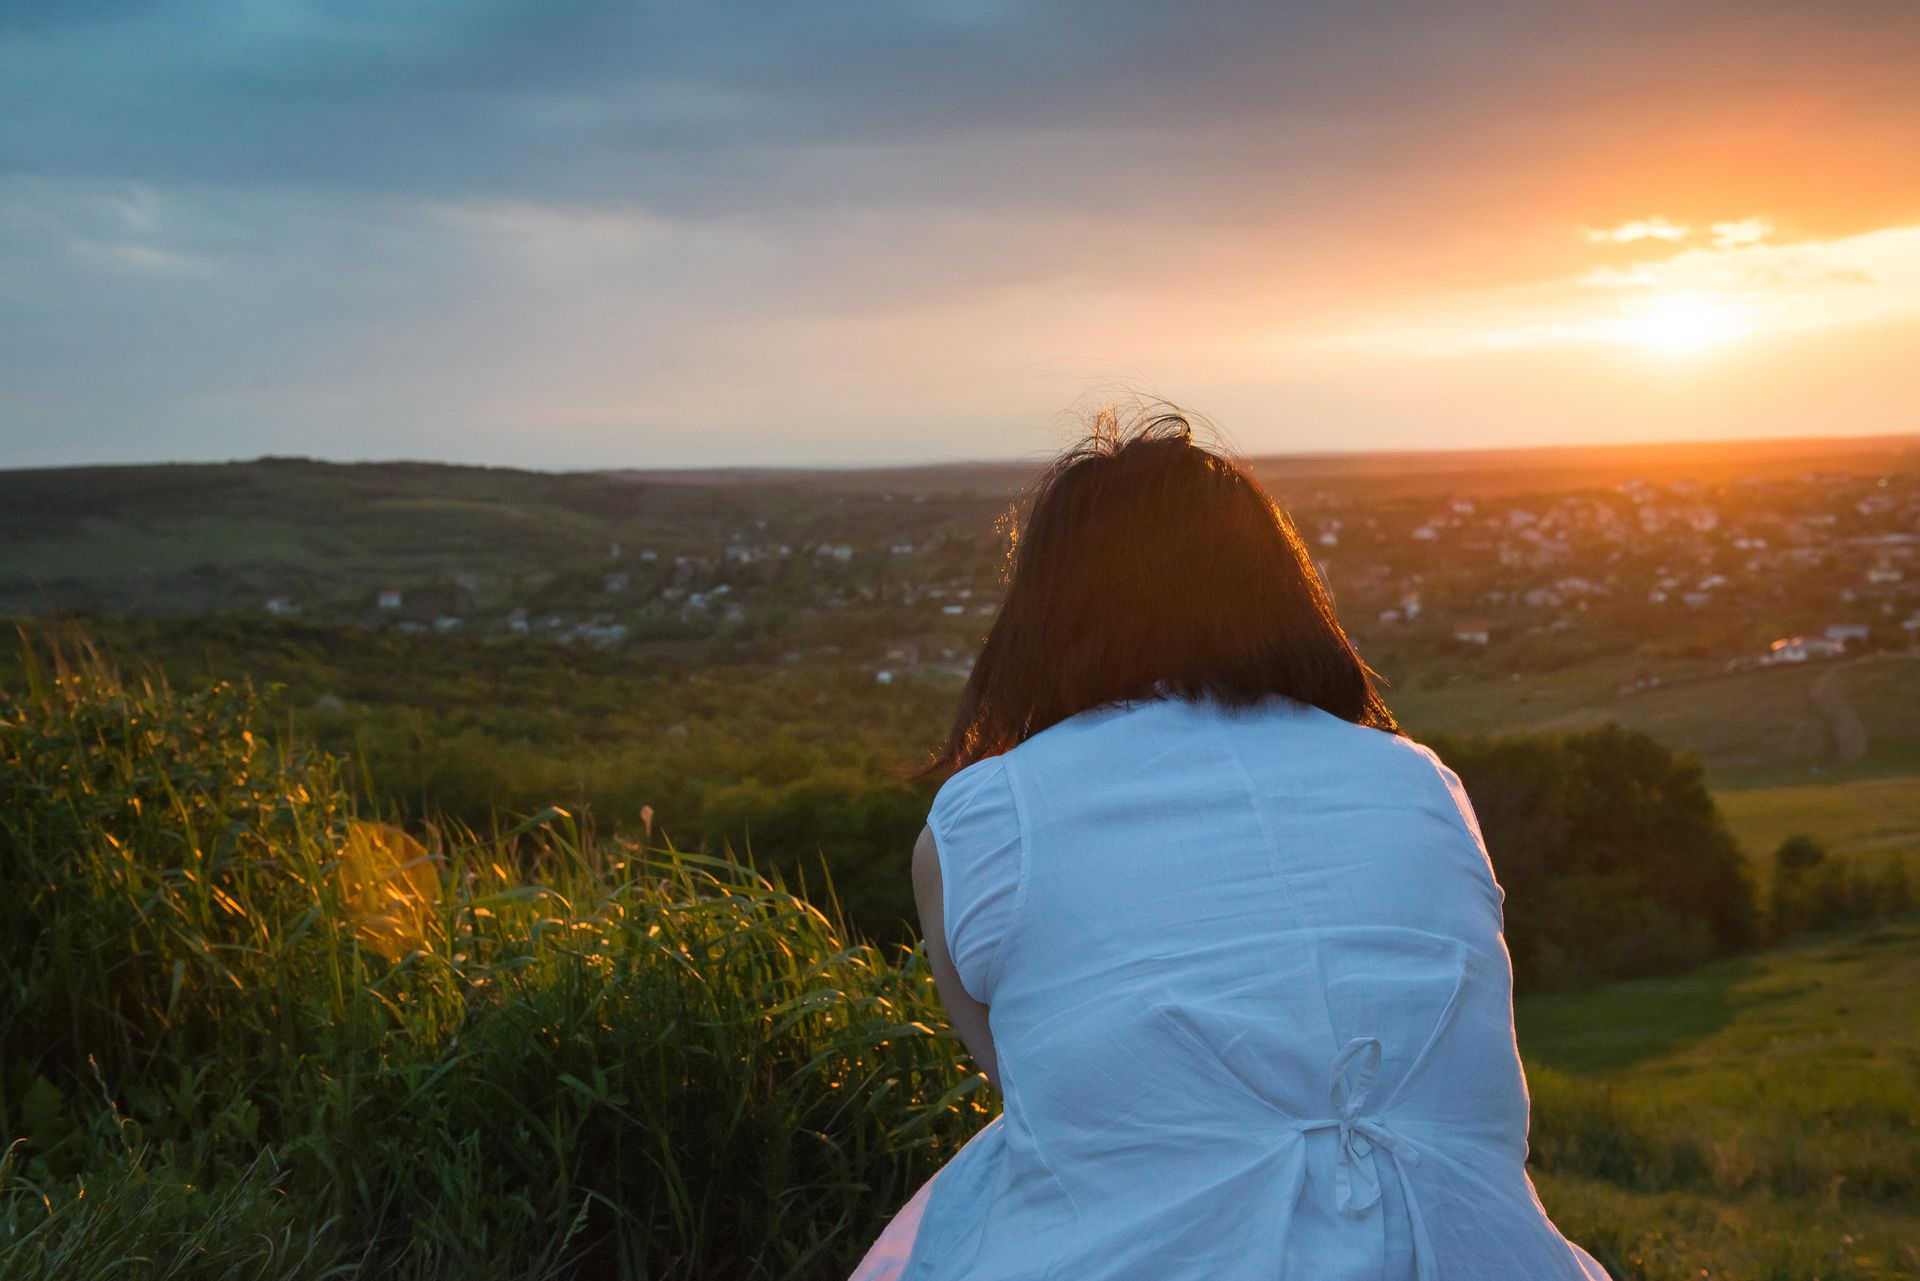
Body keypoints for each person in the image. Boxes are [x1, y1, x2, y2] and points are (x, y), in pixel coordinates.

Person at [850, 410, 1610, 1281]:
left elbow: (1035, 1095)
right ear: (1281, 590)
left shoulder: (984, 819)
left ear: (1048, 613)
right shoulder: (1421, 783)